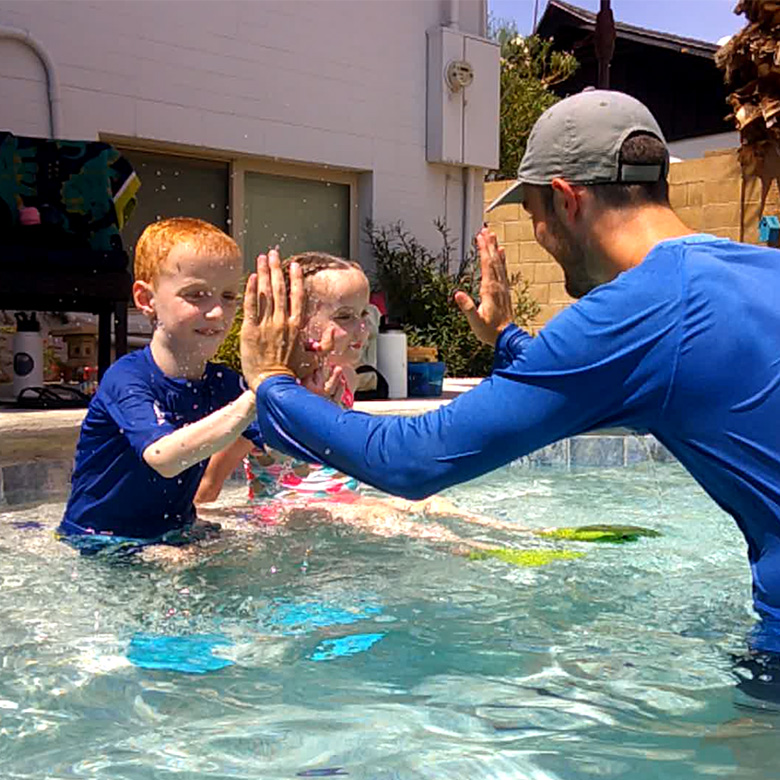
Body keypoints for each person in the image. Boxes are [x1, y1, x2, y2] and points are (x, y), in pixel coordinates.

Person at [238, 91, 780, 687]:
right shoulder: (758, 270)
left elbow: (412, 462)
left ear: (568, 200)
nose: (540, 238)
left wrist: (272, 383)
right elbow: (640, 371)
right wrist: (506, 338)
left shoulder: (633, 310)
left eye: (533, 216)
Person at [196, 251, 505, 546]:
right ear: (293, 321)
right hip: (284, 519)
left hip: (344, 509)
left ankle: (515, 538)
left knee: (433, 501)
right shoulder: (261, 401)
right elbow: (207, 489)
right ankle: (466, 549)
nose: (363, 328)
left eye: (364, 314)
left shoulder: (346, 379)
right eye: (345, 316)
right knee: (376, 513)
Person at [58, 217, 263, 553]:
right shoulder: (127, 378)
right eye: (196, 295)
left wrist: (308, 395)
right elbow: (163, 456)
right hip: (97, 539)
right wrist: (254, 398)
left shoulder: (224, 383)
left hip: (174, 533)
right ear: (145, 298)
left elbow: (289, 452)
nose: (217, 312)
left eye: (228, 296)